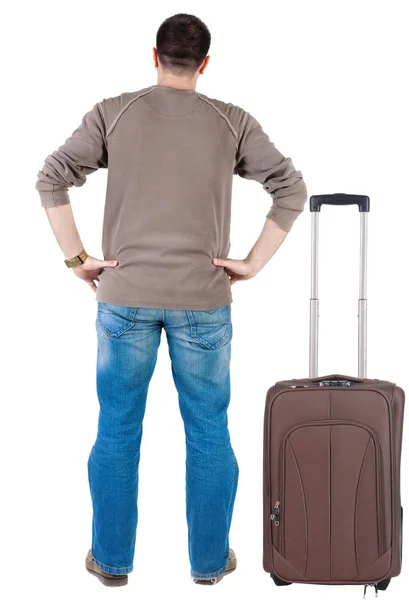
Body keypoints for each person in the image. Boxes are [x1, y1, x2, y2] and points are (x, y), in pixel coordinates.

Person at [35, 12, 308, 587]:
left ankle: (110, 563)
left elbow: (52, 177)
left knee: (116, 429)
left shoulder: (115, 111)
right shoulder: (231, 121)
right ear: (205, 63)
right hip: (204, 302)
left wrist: (77, 260)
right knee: (208, 429)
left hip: (124, 299)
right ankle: (209, 565)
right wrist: (253, 263)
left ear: (153, 57)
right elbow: (291, 187)